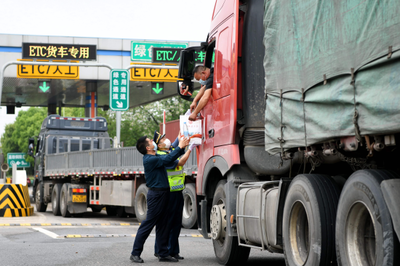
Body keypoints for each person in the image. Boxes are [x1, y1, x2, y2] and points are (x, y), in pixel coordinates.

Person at [130, 135, 189, 263]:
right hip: (156, 195)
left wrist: (181, 147)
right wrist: (180, 147)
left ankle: (163, 253)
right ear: (148, 147)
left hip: (164, 193)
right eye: (150, 141)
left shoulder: (155, 156)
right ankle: (135, 253)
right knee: (148, 224)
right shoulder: (149, 159)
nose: (153, 141)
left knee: (164, 224)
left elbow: (170, 159)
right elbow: (168, 158)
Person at [153, 131, 197, 260]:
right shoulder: (161, 156)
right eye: (164, 139)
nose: (167, 140)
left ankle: (173, 251)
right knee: (167, 223)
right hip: (168, 193)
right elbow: (180, 163)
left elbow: (177, 141)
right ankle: (162, 251)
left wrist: (185, 127)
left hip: (177, 191)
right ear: (159, 145)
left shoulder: (168, 151)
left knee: (176, 222)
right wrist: (190, 149)